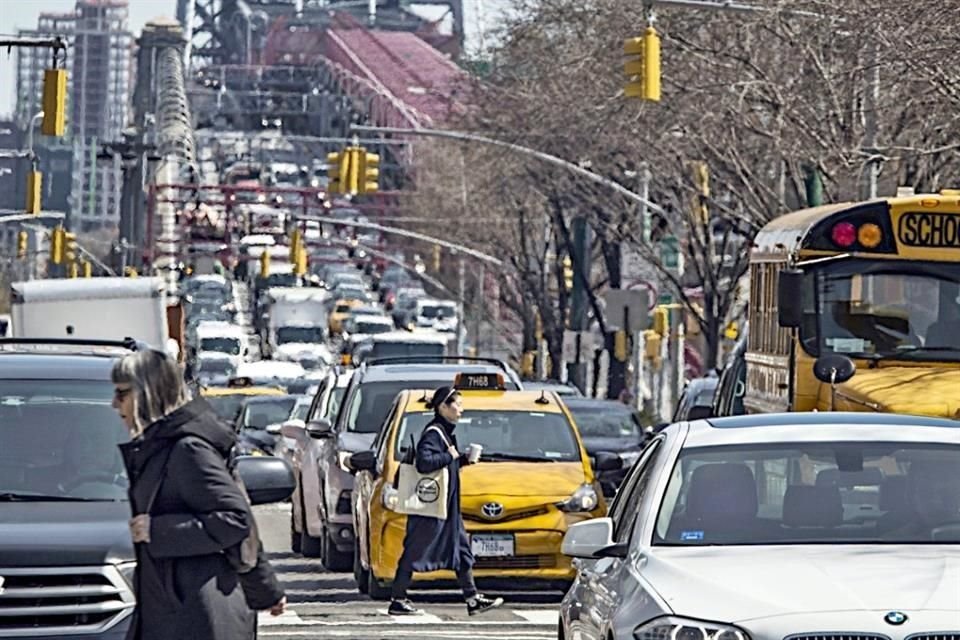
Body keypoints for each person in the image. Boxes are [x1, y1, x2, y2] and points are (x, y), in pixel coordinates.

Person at [112, 350, 285, 640]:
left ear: (149, 393)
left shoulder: (187, 450)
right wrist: (265, 591)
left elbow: (235, 520)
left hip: (197, 615)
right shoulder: (162, 447)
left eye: (122, 393)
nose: (115, 404)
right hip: (175, 612)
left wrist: (157, 530)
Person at [388, 386, 503, 617]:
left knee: (461, 551)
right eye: (457, 404)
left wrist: (461, 461)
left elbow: (442, 468)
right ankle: (397, 599)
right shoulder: (434, 433)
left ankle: (472, 599)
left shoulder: (444, 431)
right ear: (442, 407)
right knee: (415, 550)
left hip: (447, 508)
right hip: (432, 508)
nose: (461, 409)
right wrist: (449, 456)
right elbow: (424, 463)